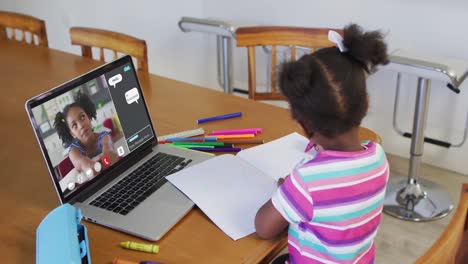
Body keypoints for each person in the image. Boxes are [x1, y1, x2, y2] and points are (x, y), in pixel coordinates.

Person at [255, 24, 390, 264]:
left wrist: (286, 192)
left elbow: (263, 228)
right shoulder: (379, 157)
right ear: (365, 103)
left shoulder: (306, 182)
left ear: (304, 123)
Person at [54, 92, 118, 177]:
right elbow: (81, 162)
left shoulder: (104, 137)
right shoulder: (74, 151)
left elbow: (108, 149)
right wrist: (89, 166)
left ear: (89, 118)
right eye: (74, 125)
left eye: (82, 117)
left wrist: (107, 154)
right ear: (72, 133)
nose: (81, 126)